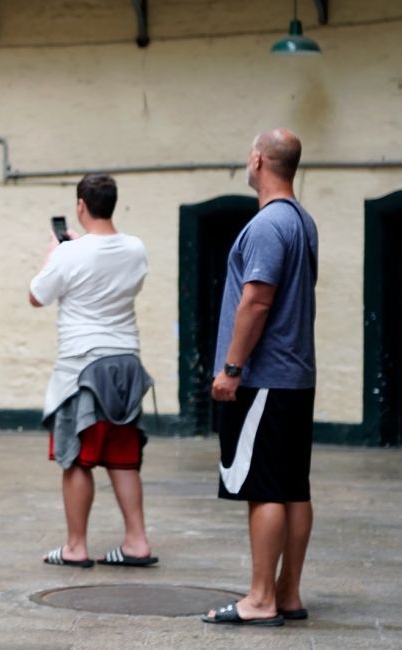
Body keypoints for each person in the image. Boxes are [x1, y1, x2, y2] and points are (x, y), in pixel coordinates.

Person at [202, 128, 318, 627]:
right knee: (293, 488)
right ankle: (287, 594)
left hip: (264, 377)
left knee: (265, 488)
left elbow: (258, 299)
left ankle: (260, 599)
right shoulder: (303, 221)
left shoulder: (269, 225)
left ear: (257, 161)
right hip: (295, 376)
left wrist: (232, 368)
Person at [28, 174, 157, 570]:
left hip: (82, 368)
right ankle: (137, 542)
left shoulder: (69, 254)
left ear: (81, 205)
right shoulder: (136, 248)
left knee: (77, 459)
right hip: (126, 365)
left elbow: (37, 295)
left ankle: (75, 547)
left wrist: (55, 252)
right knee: (123, 458)